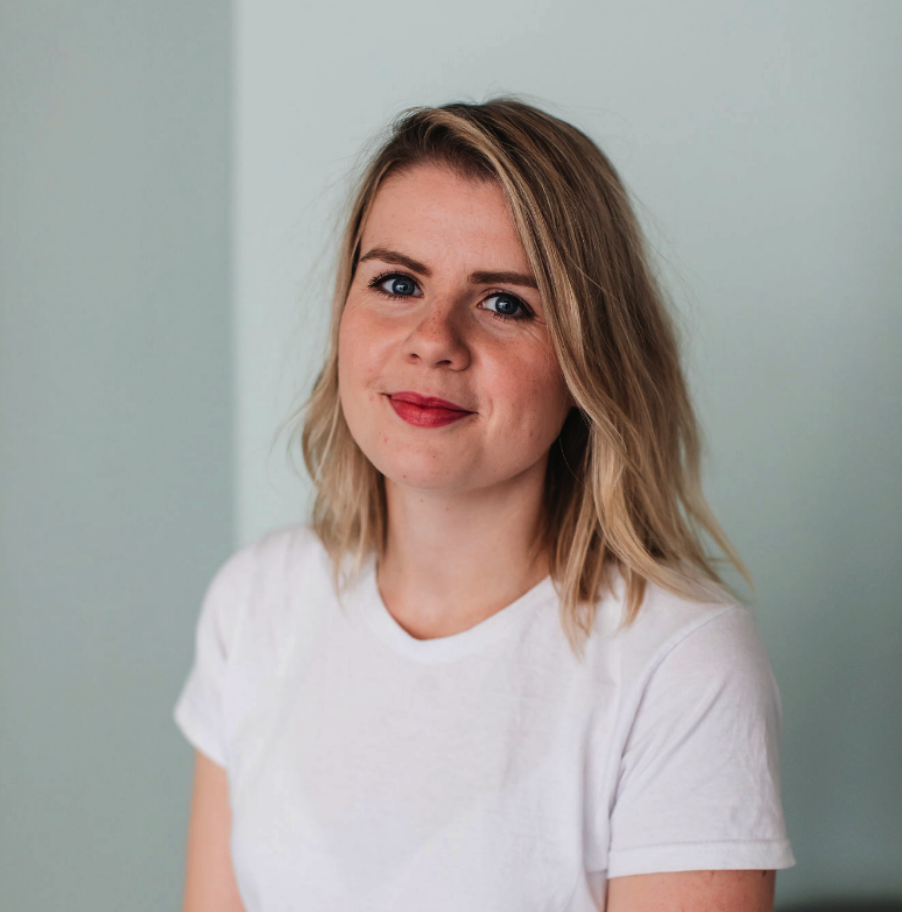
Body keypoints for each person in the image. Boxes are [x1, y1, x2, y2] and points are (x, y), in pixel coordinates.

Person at [173, 97, 795, 912]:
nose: (434, 338)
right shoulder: (255, 603)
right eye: (398, 283)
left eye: (505, 303)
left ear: (587, 359)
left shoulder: (681, 664)